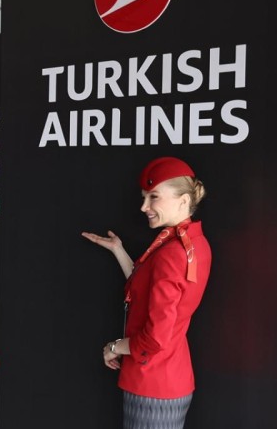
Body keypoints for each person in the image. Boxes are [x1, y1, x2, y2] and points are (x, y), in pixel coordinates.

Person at [82, 156, 211, 429]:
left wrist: (113, 347)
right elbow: (148, 285)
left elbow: (155, 338)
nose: (144, 207)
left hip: (152, 381)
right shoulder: (194, 243)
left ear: (183, 201)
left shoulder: (172, 252)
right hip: (171, 377)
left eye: (154, 197)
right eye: (144, 198)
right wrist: (118, 249)